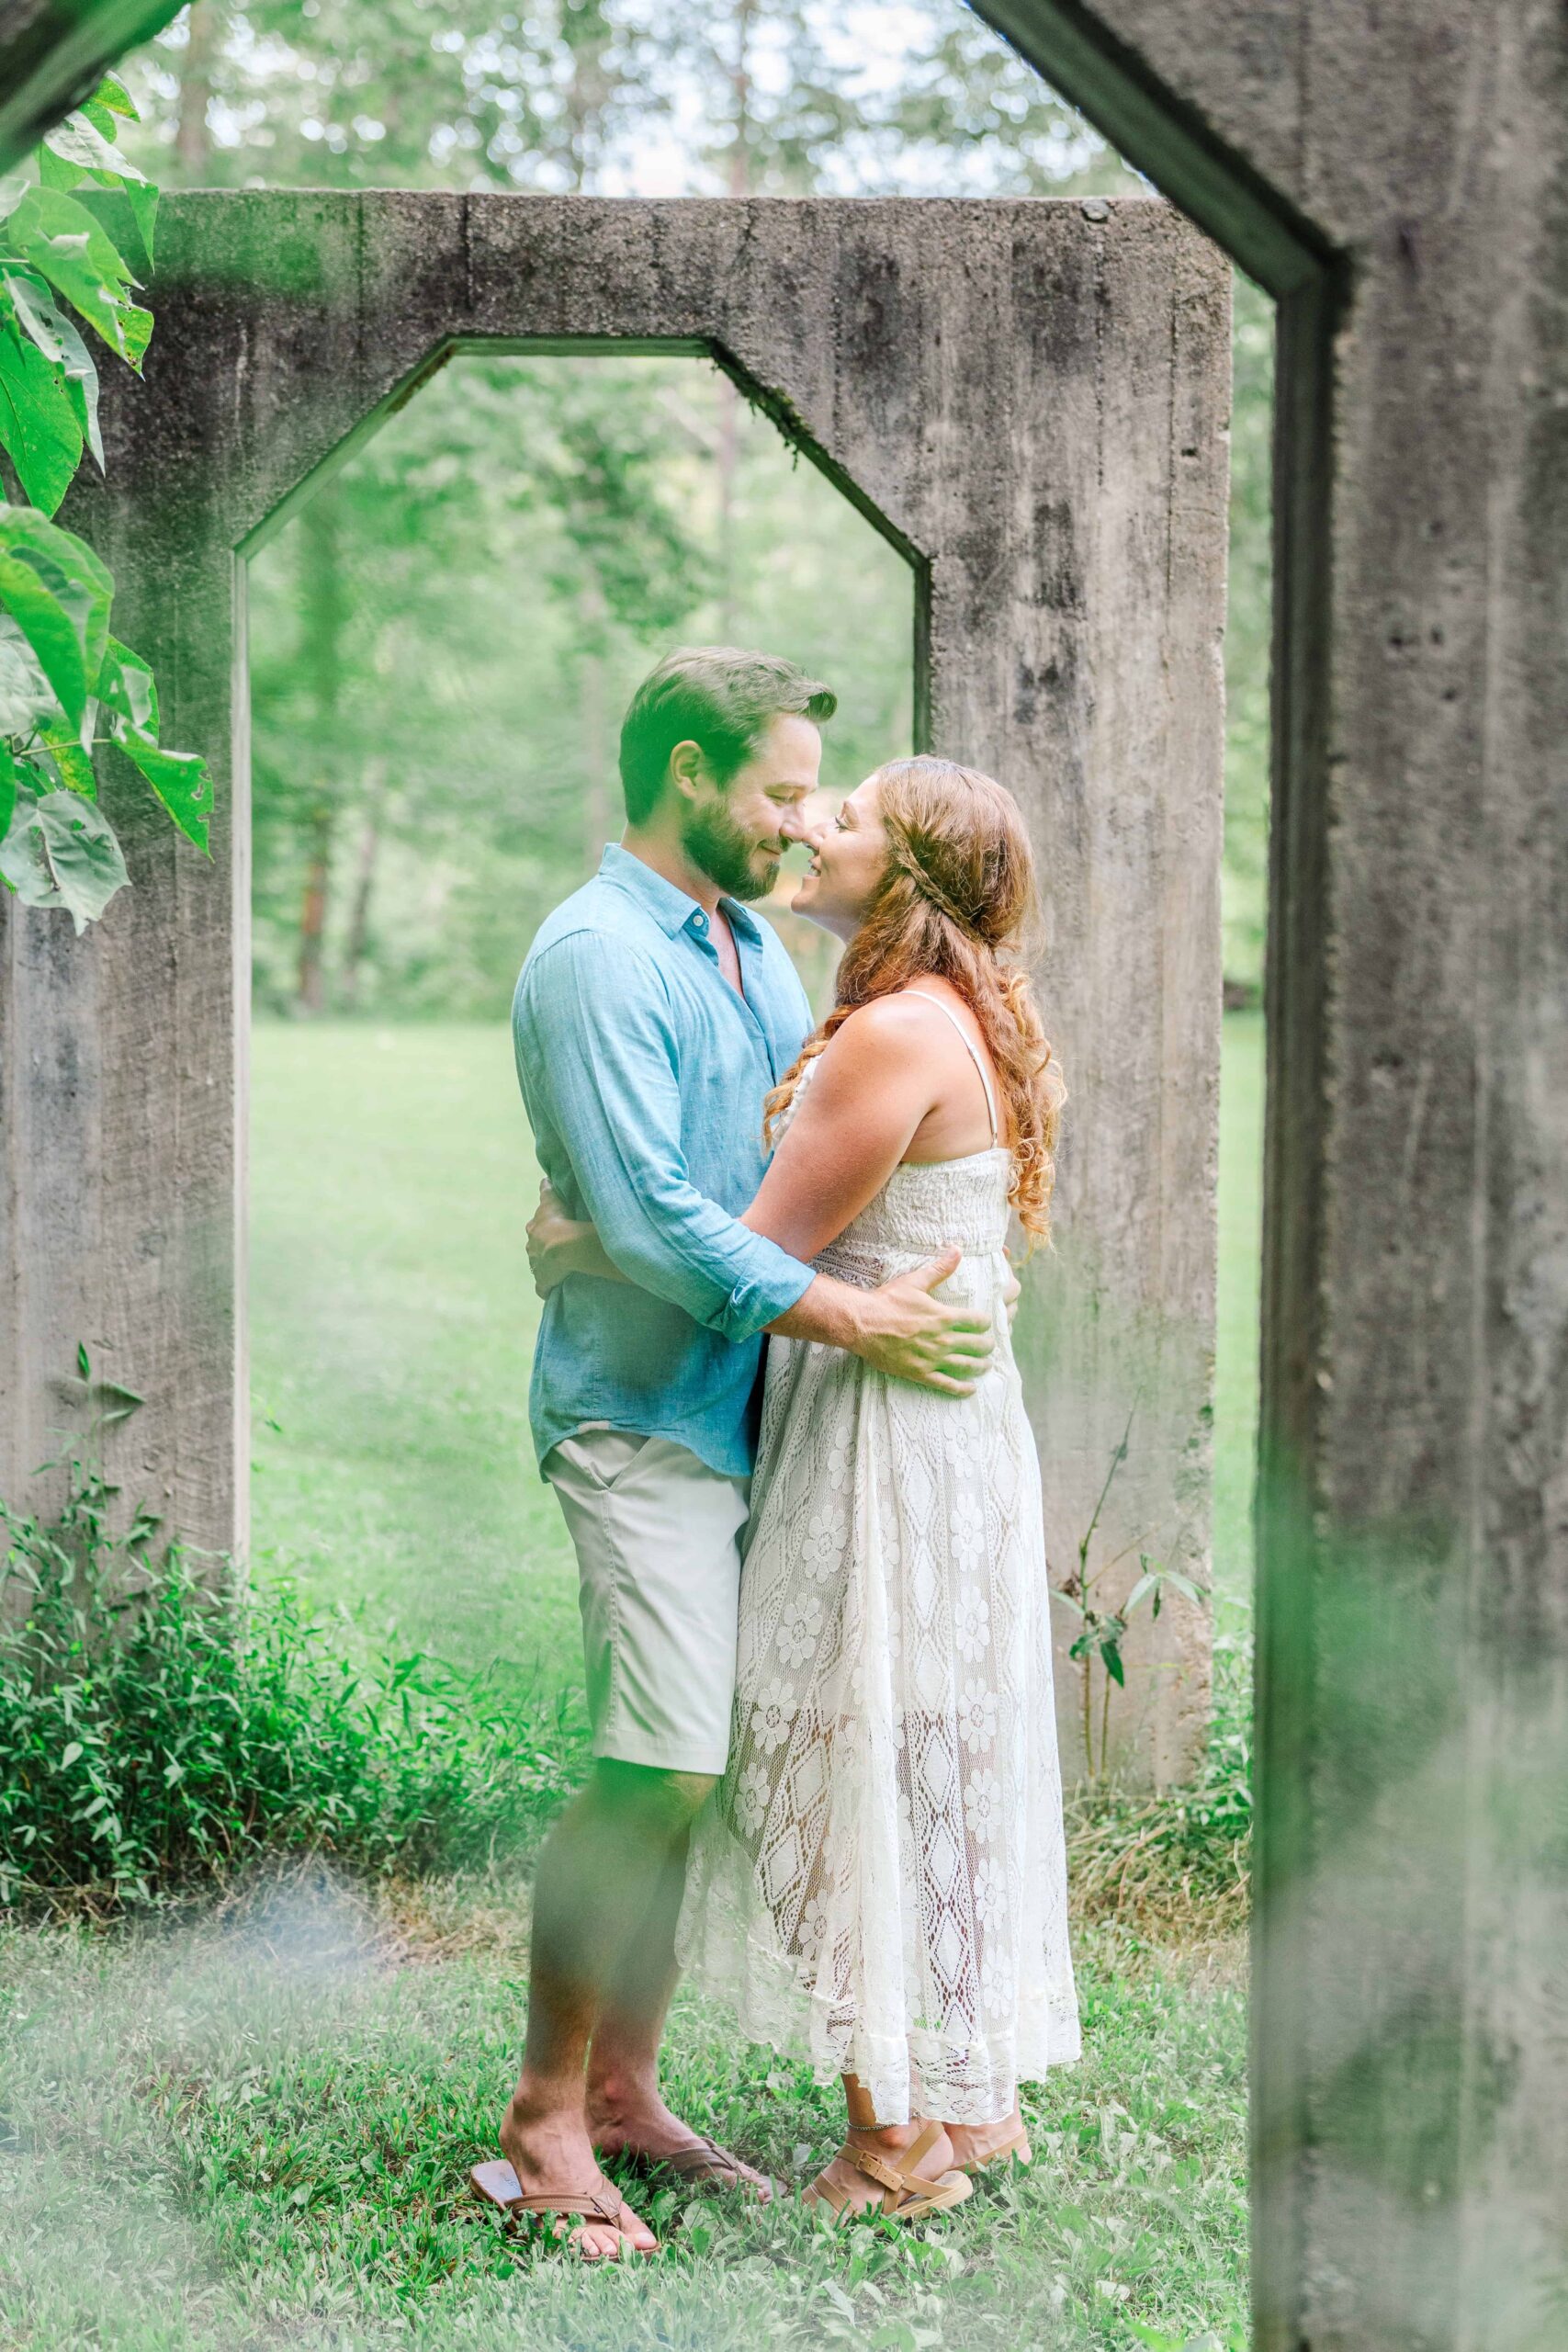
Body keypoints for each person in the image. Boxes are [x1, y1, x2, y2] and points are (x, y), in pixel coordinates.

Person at [475, 652, 995, 2260]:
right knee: (659, 1766)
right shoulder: (592, 959)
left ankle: (626, 2094)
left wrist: (601, 1240)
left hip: (750, 1412)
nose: (795, 821)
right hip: (641, 1420)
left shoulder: (757, 952)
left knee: (689, 1774)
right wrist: (851, 1318)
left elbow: (767, 1165)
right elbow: (645, 1213)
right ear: (687, 773)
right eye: (776, 790)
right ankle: (543, 2128)